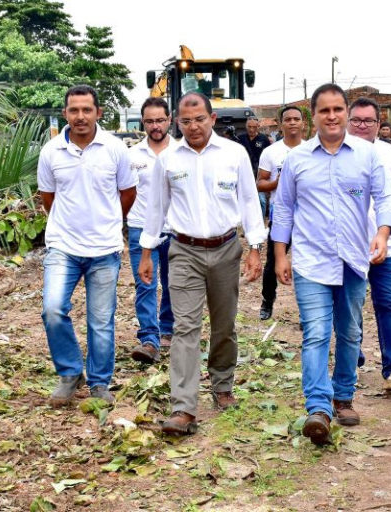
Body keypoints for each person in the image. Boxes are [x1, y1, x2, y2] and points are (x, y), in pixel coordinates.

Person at [272, 84, 391, 445]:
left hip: (354, 260)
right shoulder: (297, 159)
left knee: (350, 332)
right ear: (314, 114)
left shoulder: (366, 155)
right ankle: (318, 407)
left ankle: (343, 398)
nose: (331, 116)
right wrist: (280, 254)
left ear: (345, 112)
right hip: (311, 261)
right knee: (315, 333)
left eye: (337, 109)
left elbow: (384, 196)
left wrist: (383, 233)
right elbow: (283, 208)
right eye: (324, 110)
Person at [139, 92, 265, 435]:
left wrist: (255, 247)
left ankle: (222, 385)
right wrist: (147, 252)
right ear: (177, 122)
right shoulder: (168, 160)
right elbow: (156, 208)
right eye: (186, 120)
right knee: (185, 328)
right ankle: (183, 407)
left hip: (226, 249)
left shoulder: (234, 154)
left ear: (212, 118)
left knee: (224, 325)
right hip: (184, 251)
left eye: (199, 119)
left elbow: (250, 202)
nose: (193, 126)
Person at [38, 85, 137, 407]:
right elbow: (48, 198)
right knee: (53, 309)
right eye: (73, 110)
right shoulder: (51, 151)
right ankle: (69, 373)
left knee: (101, 321)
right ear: (65, 113)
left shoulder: (115, 148)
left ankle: (98, 383)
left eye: (86, 110)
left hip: (104, 249)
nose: (80, 117)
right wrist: (70, 225)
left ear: (98, 113)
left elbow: (128, 193)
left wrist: (106, 222)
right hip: (62, 246)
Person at [348, 97, 391, 391]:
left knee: (386, 304)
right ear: (348, 121)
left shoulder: (389, 154)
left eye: (369, 121)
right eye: (357, 120)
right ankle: (352, 360)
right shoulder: (336, 153)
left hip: (386, 247)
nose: (363, 125)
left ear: (379, 124)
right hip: (349, 247)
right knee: (351, 305)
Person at [127, 97, 174, 364]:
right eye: (149, 121)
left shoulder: (181, 152)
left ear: (169, 119)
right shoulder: (132, 156)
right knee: (145, 284)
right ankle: (149, 339)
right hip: (140, 229)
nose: (155, 126)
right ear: (142, 123)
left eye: (160, 120)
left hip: (174, 230)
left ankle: (167, 327)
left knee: (173, 284)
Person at [256, 105, 305, 320]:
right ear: (281, 124)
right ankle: (268, 301)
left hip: (308, 216)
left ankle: (307, 312)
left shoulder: (312, 149)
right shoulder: (271, 152)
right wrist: (279, 181)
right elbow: (260, 183)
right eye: (288, 119)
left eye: (296, 119)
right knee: (273, 261)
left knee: (307, 263)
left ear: (303, 123)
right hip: (281, 214)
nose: (292, 122)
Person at [238, 116, 272, 215]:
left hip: (259, 174)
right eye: (249, 127)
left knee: (261, 201)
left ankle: (260, 223)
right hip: (243, 174)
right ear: (246, 126)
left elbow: (269, 157)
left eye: (254, 127)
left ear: (258, 126)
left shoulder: (263, 139)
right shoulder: (240, 139)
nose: (252, 129)